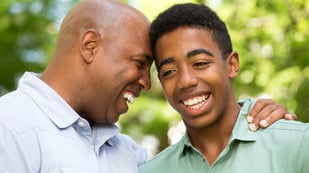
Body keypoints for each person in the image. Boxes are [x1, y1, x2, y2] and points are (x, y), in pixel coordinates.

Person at [0, 0, 296, 172]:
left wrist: (256, 118)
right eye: (141, 63)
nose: (146, 82)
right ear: (90, 46)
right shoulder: (10, 127)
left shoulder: (132, 157)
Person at [139, 3, 309, 173]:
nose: (185, 81)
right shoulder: (151, 170)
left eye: (200, 63)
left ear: (232, 65)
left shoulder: (298, 145)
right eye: (169, 71)